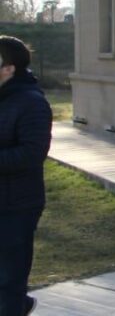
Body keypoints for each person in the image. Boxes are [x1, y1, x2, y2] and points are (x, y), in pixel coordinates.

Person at [0, 36, 52, 316]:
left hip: (16, 206)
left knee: (8, 280)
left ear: (9, 68)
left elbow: (32, 153)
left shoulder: (31, 103)